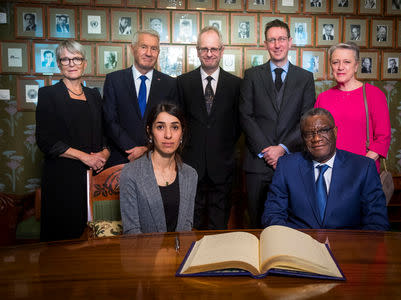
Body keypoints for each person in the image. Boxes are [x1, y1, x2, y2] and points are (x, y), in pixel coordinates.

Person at [240, 19, 315, 228]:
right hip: (258, 163)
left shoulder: (305, 78)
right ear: (265, 44)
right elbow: (245, 116)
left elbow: (306, 118)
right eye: (272, 40)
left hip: (293, 160)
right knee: (256, 221)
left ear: (290, 42)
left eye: (281, 39)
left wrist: (282, 149)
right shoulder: (252, 76)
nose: (277, 44)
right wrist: (267, 151)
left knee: (291, 223)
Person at [261, 108, 390, 230]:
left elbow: (377, 221)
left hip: (347, 247)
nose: (316, 138)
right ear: (303, 138)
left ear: (335, 132)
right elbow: (272, 215)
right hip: (299, 246)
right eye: (309, 134)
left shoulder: (363, 167)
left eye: (323, 130)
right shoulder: (287, 166)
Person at [36, 40, 110, 241]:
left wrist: (104, 153)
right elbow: (45, 140)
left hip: (91, 176)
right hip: (61, 178)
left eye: (76, 58)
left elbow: (105, 133)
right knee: (62, 242)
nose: (71, 63)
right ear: (59, 64)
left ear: (84, 63)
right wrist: (85, 157)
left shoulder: (94, 95)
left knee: (91, 240)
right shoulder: (48, 94)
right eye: (66, 59)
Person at [177, 27, 241, 230]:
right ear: (197, 51)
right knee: (190, 227)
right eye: (204, 49)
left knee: (218, 229)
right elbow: (179, 122)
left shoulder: (237, 85)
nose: (209, 53)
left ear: (222, 51)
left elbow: (239, 123)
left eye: (214, 48)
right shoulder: (182, 83)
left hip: (223, 167)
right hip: (190, 166)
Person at [103, 30, 178, 167]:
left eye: (154, 48)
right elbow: (110, 120)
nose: (149, 53)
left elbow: (171, 124)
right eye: (143, 47)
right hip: (121, 160)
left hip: (157, 160)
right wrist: (133, 149)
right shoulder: (114, 80)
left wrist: (148, 149)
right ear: (133, 49)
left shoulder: (170, 84)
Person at [120, 103, 197, 234]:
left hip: (180, 252)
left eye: (175, 127)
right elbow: (131, 231)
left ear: (182, 133)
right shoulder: (131, 173)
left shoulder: (190, 174)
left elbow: (186, 226)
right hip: (144, 252)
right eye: (160, 127)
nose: (168, 135)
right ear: (150, 132)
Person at [315, 42, 391, 172]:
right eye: (335, 62)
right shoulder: (323, 98)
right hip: (330, 172)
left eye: (347, 62)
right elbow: (315, 136)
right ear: (331, 66)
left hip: (363, 170)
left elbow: (383, 138)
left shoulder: (374, 94)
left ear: (356, 66)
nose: (340, 67)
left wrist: (361, 166)